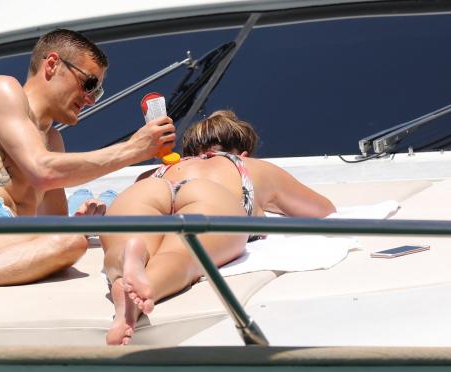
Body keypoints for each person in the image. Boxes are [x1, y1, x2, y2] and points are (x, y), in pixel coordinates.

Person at [0, 28, 176, 344]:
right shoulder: (3, 89)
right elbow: (41, 170)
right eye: (89, 84)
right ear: (52, 64)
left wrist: (76, 225)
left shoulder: (54, 141)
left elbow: (51, 225)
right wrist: (133, 150)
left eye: (97, 91)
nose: (90, 98)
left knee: (71, 243)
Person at [100, 110, 335, 345]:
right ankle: (138, 297)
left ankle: (128, 257)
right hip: (209, 195)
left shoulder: (152, 173)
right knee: (183, 255)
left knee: (123, 241)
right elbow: (324, 210)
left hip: (152, 187)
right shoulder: (251, 166)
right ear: (244, 153)